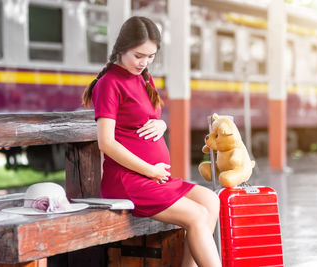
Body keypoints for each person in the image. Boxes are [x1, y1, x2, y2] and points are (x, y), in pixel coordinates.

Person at [82, 16, 221, 267]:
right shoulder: (109, 84)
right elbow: (106, 143)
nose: (144, 62)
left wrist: (162, 123)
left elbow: (147, 117)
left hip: (152, 179)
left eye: (151, 57)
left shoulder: (143, 77)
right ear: (121, 49)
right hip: (128, 181)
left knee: (211, 201)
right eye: (138, 56)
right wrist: (150, 170)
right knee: (197, 215)